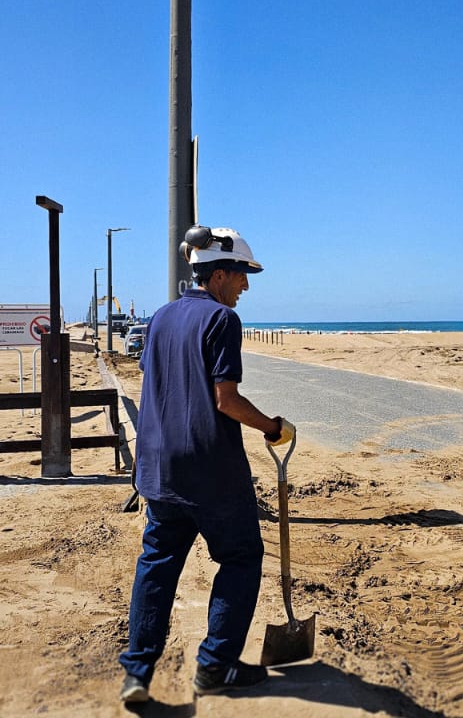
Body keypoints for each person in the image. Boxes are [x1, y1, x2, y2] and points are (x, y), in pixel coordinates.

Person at [118, 226, 295, 703]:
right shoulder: (222, 320)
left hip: (158, 470)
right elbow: (226, 400)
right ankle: (215, 667)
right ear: (219, 274)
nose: (246, 285)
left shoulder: (159, 319)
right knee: (241, 558)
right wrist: (272, 427)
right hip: (211, 472)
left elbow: (156, 380)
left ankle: (136, 673)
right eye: (241, 275)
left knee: (156, 566)